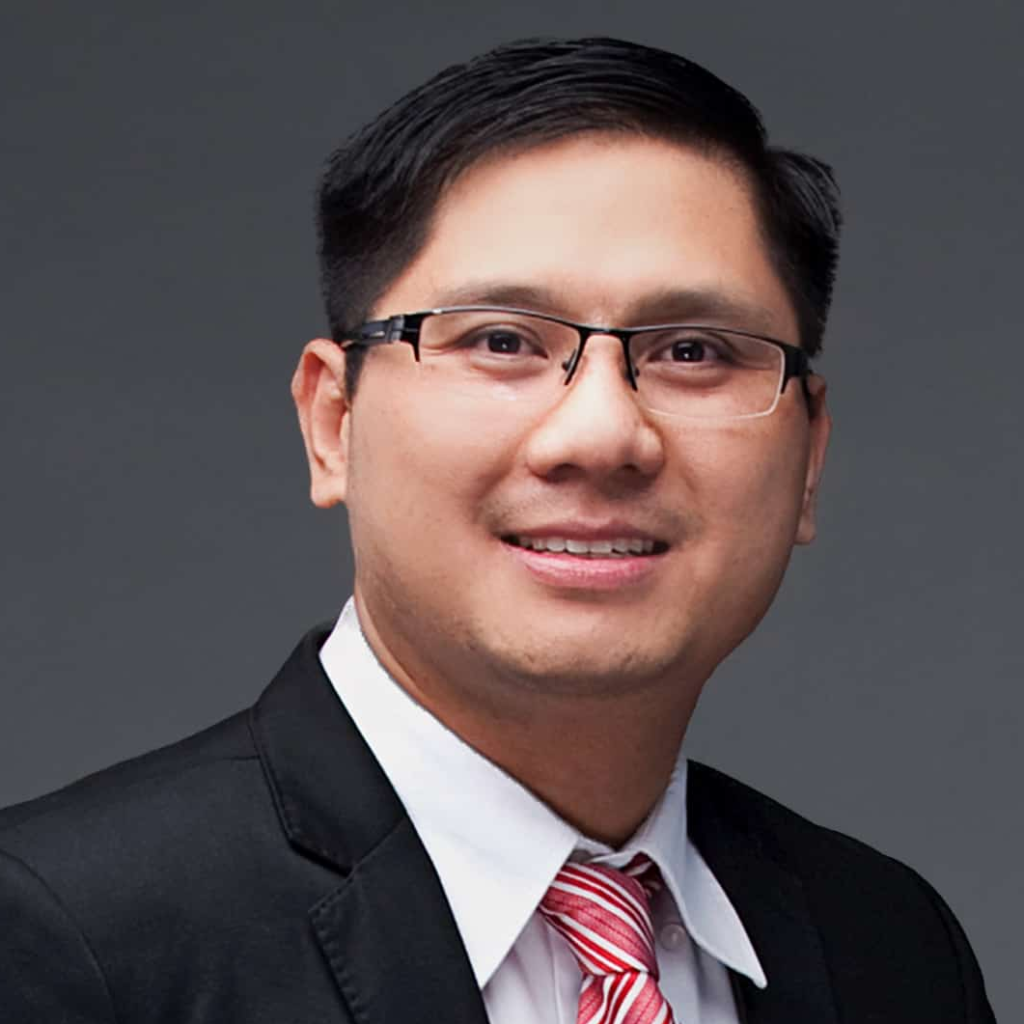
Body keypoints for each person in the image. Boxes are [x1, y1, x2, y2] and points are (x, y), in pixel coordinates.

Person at [0, 36, 995, 1024]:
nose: (601, 435)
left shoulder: (889, 947)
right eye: (502, 339)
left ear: (809, 456)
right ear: (333, 423)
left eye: (694, 350)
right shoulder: (56, 936)